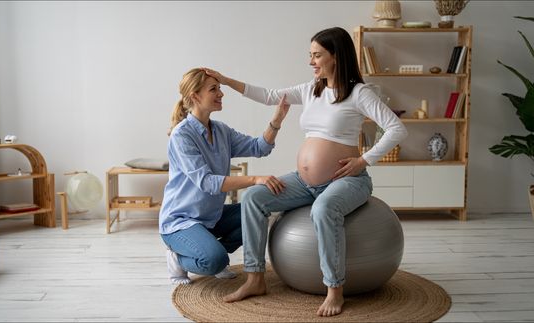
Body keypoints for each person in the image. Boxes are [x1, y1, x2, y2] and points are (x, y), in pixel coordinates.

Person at [205, 26, 407, 317]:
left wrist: (364, 161)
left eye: (316, 55)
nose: (311, 62)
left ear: (335, 56)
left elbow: (396, 128)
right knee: (254, 198)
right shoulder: (311, 90)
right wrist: (225, 80)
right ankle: (255, 278)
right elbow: (269, 96)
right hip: (304, 182)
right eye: (310, 55)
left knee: (323, 210)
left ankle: (334, 289)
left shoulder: (358, 93)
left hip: (347, 181)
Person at [159, 68, 290, 285]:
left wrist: (277, 120)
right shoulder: (181, 135)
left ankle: (212, 249)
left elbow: (260, 148)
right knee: (214, 261)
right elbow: (207, 182)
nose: (221, 94)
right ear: (195, 96)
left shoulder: (221, 131)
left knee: (257, 212)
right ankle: (180, 259)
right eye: (214, 89)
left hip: (212, 216)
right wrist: (255, 179)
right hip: (181, 221)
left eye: (220, 88)